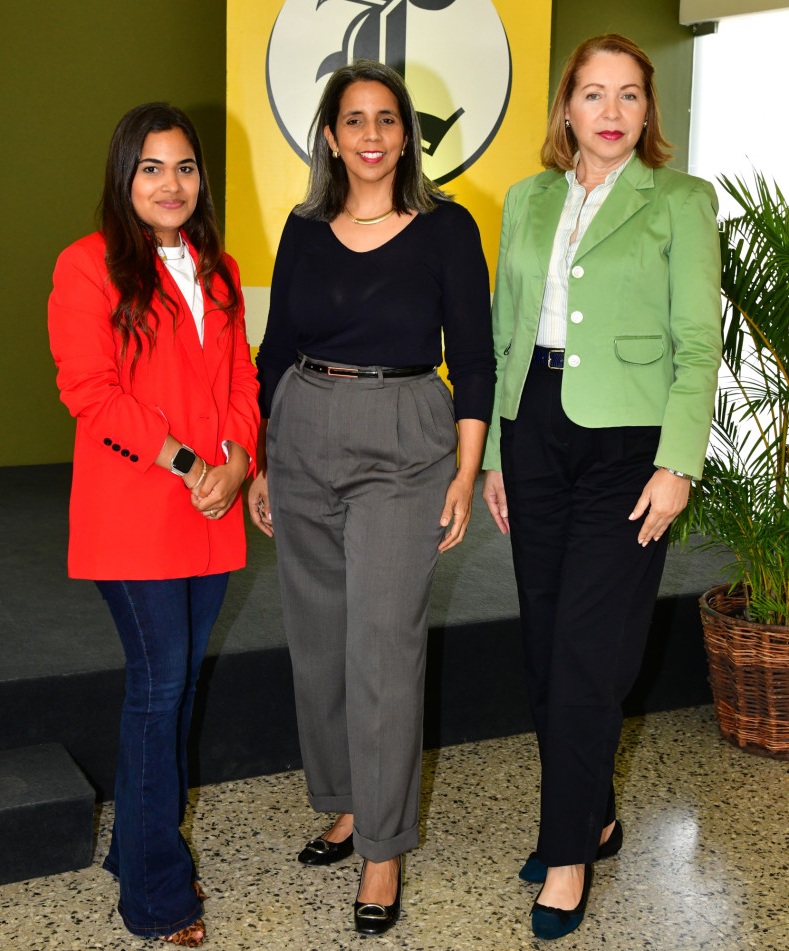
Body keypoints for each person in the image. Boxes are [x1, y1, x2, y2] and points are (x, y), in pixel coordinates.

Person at [481, 34, 722, 941]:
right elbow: (509, 331)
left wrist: (679, 460)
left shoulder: (682, 201)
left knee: (589, 647)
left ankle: (569, 848)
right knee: (546, 644)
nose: (612, 111)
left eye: (629, 94)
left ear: (647, 109)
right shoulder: (528, 197)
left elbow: (699, 341)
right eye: (593, 93)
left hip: (630, 442)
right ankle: (597, 813)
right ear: (567, 110)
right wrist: (502, 453)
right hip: (534, 427)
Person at [249, 60, 494, 934]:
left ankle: (383, 848)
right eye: (354, 120)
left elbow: (472, 359)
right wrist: (262, 459)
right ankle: (347, 801)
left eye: (387, 119)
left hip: (405, 438)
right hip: (303, 422)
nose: (372, 135)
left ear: (408, 135)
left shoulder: (446, 229)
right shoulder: (305, 227)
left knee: (383, 645)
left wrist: (465, 473)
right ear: (329, 136)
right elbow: (273, 348)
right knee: (318, 634)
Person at [48, 102, 260, 947]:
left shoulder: (219, 268)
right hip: (138, 511)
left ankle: (137, 849)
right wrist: (189, 465)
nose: (170, 184)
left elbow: (242, 379)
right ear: (123, 175)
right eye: (151, 168)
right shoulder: (88, 264)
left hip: (212, 512)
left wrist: (240, 460)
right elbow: (89, 390)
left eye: (184, 168)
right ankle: (157, 894)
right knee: (157, 687)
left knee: (174, 691)